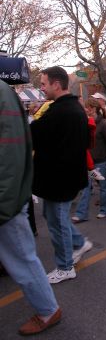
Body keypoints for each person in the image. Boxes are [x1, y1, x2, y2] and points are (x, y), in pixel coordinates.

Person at [0, 78, 61, 335]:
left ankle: (47, 309)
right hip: (9, 198)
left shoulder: (2, 94)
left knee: (22, 257)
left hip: (6, 202)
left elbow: (10, 156)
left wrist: (5, 204)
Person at [31, 66, 93, 284]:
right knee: (53, 218)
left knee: (57, 222)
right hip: (63, 178)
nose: (41, 87)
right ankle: (79, 243)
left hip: (58, 180)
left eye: (43, 83)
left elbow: (35, 134)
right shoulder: (71, 108)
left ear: (56, 84)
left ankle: (65, 266)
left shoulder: (61, 111)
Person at [73, 99, 106, 220]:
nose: (87, 110)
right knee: (85, 188)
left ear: (95, 109)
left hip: (102, 161)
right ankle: (81, 214)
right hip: (88, 161)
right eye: (86, 108)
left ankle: (105, 210)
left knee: (103, 187)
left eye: (89, 108)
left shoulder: (103, 124)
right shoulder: (85, 122)